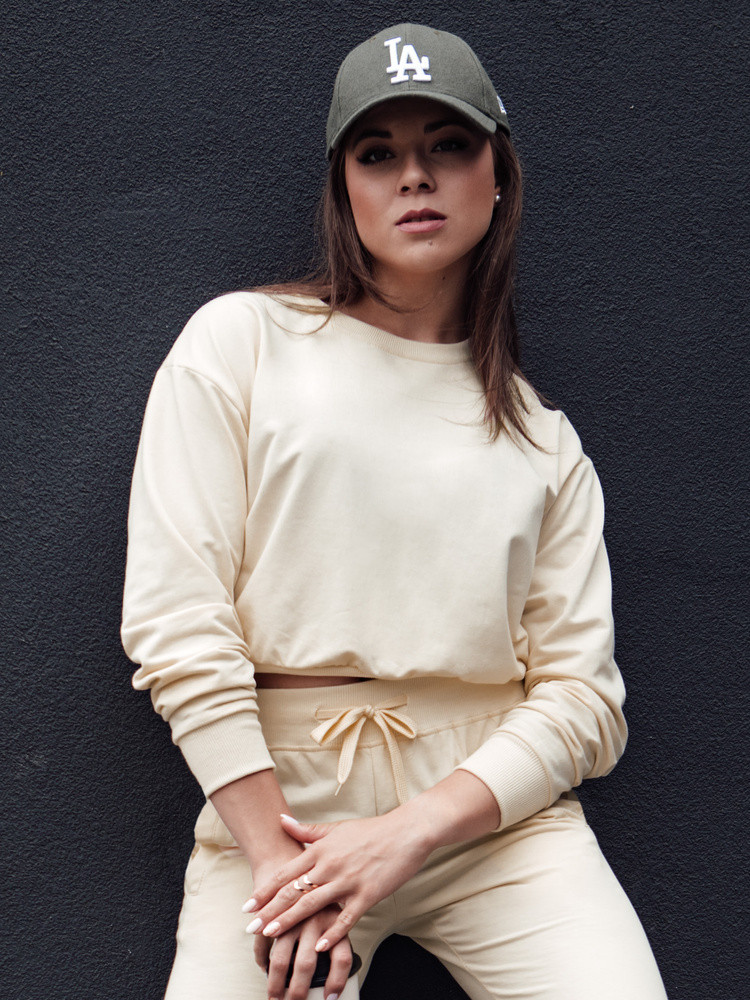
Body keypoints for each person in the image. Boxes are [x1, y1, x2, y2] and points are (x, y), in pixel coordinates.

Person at [121, 22, 669, 1000]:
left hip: (492, 826)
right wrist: (280, 863)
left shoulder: (544, 441)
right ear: (344, 189)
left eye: (447, 145)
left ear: (497, 175)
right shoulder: (239, 343)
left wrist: (407, 833)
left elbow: (584, 699)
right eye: (378, 154)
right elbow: (176, 621)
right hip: (279, 812)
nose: (414, 175)